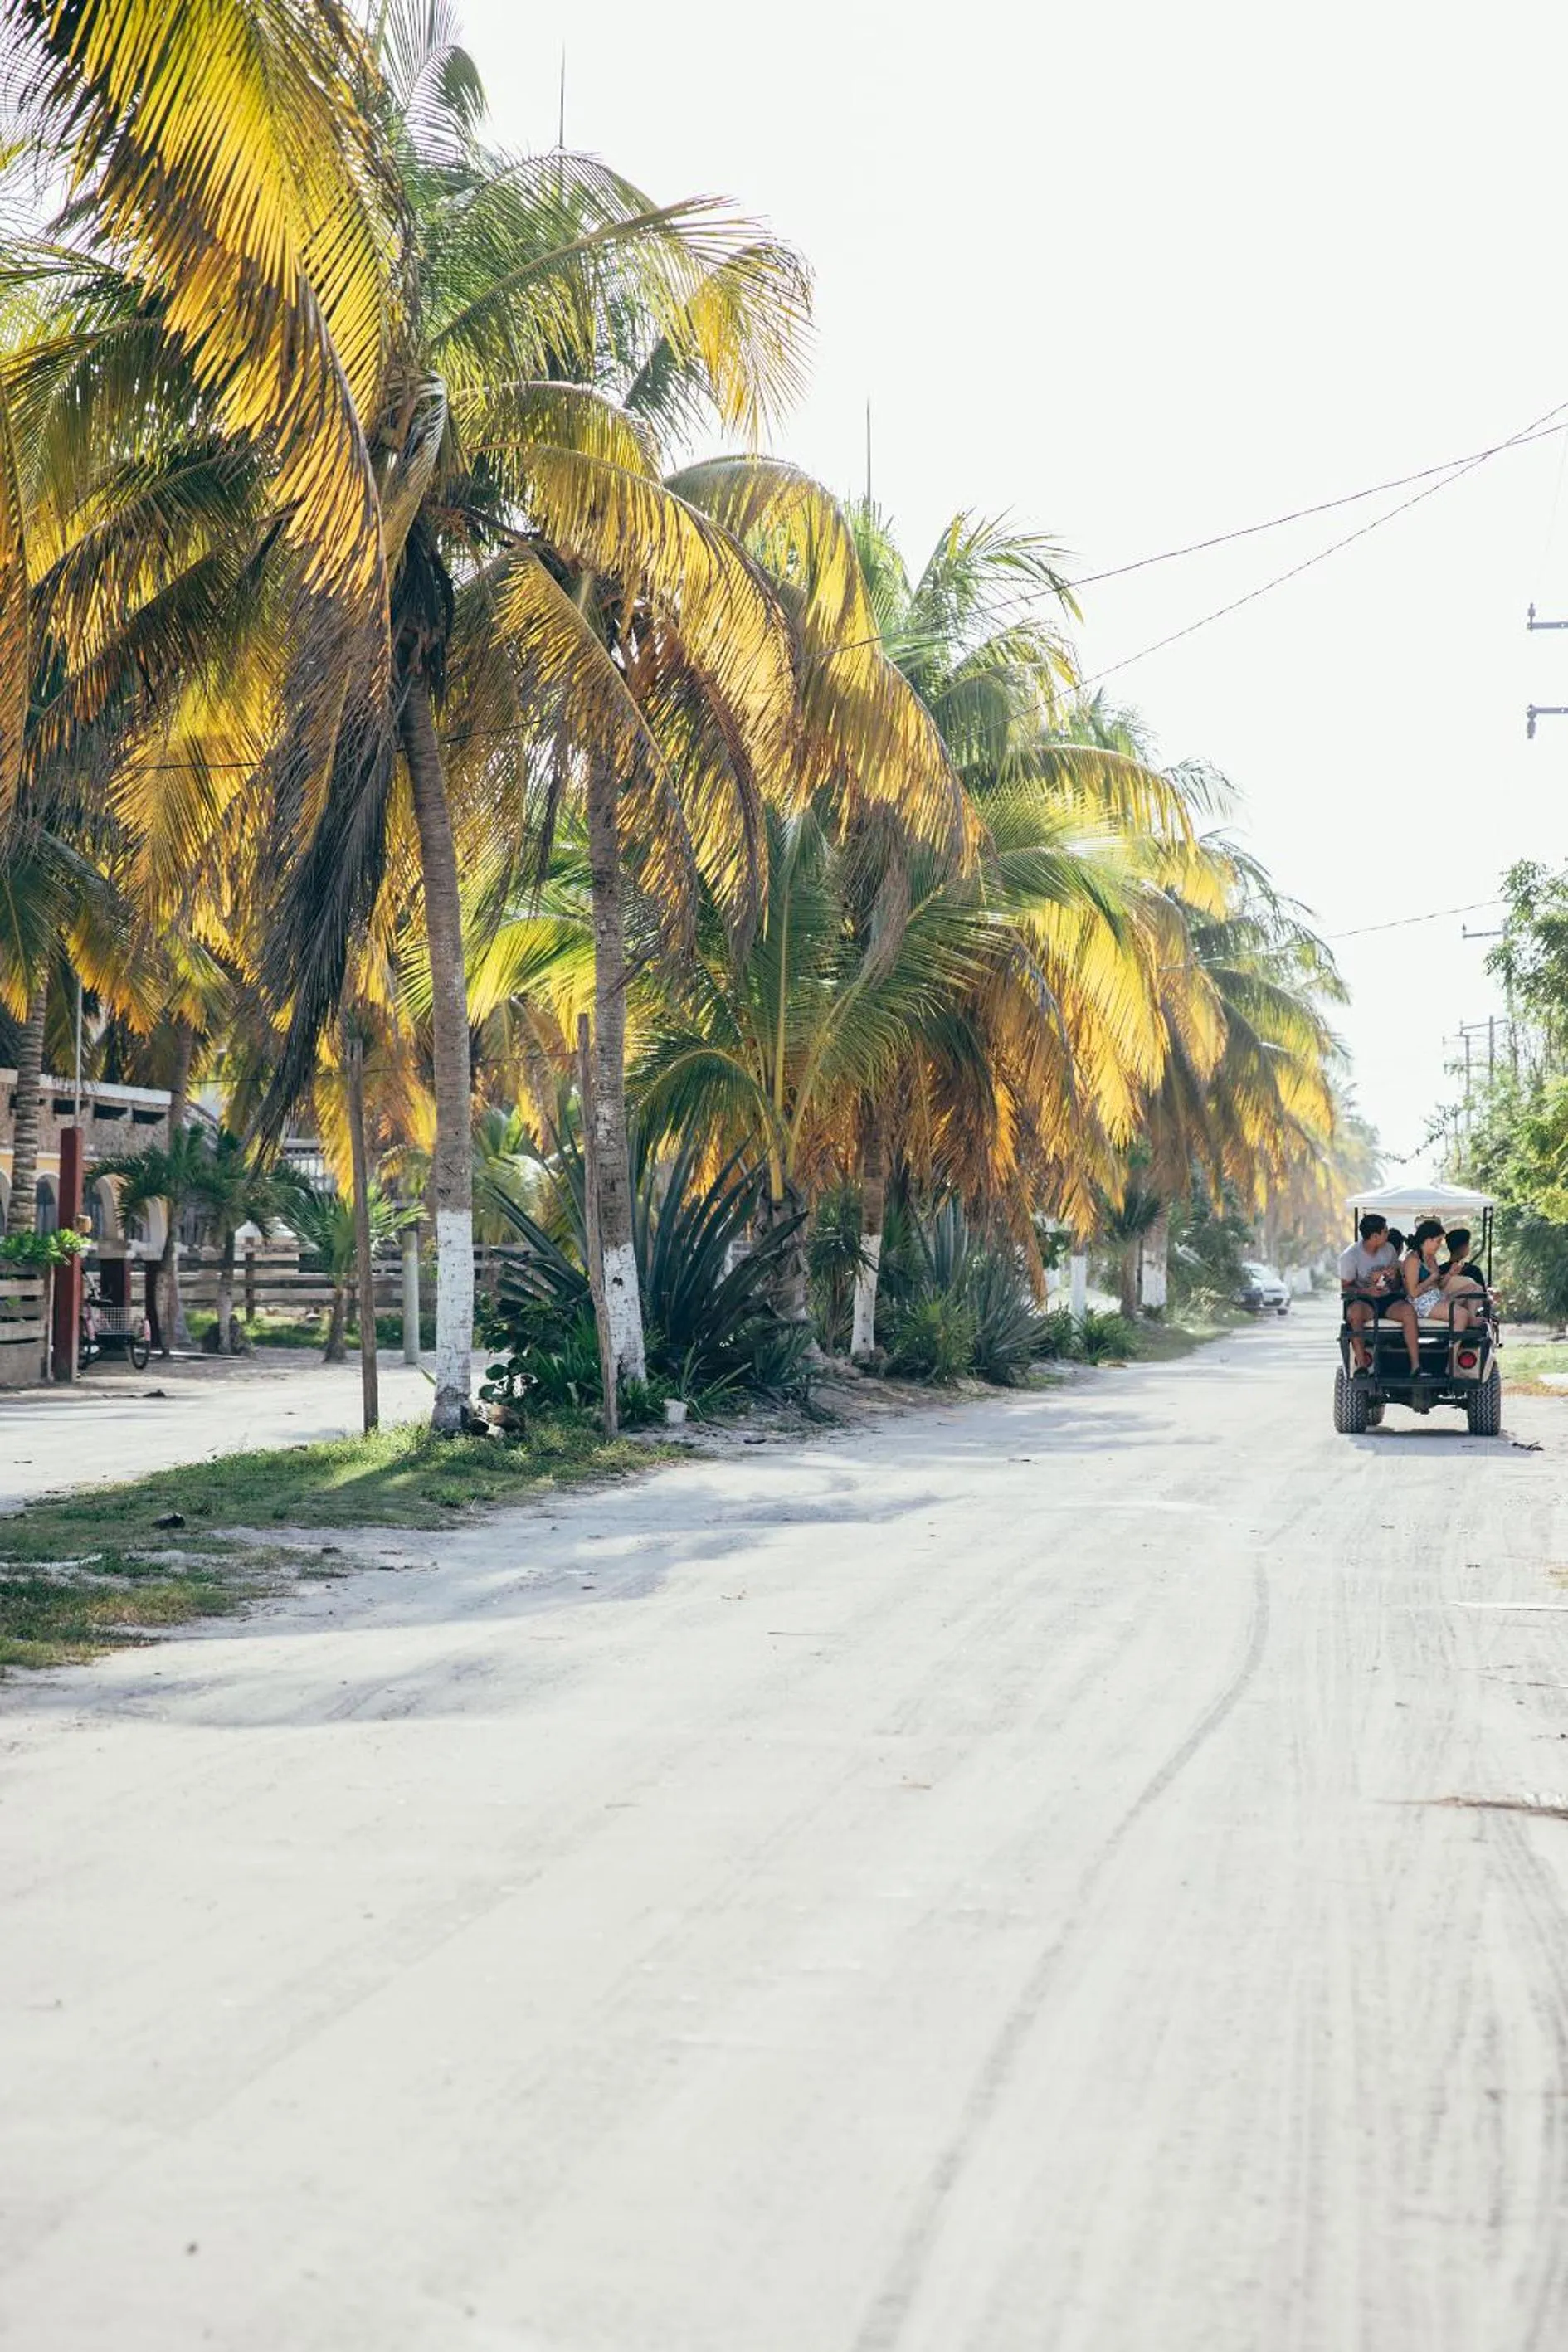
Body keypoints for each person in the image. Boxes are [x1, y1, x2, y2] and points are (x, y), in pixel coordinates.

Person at [1340, 1212, 1420, 1373]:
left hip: (1388, 1298)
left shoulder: (1389, 1249)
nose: (1388, 1234)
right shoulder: (1350, 1256)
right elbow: (1345, 1287)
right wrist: (1366, 1291)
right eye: (1385, 1231)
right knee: (1354, 1313)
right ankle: (1362, 1365)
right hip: (1365, 1300)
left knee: (1408, 1311)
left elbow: (1397, 1284)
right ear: (1375, 1236)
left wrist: (1393, 1276)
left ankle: (1416, 1366)